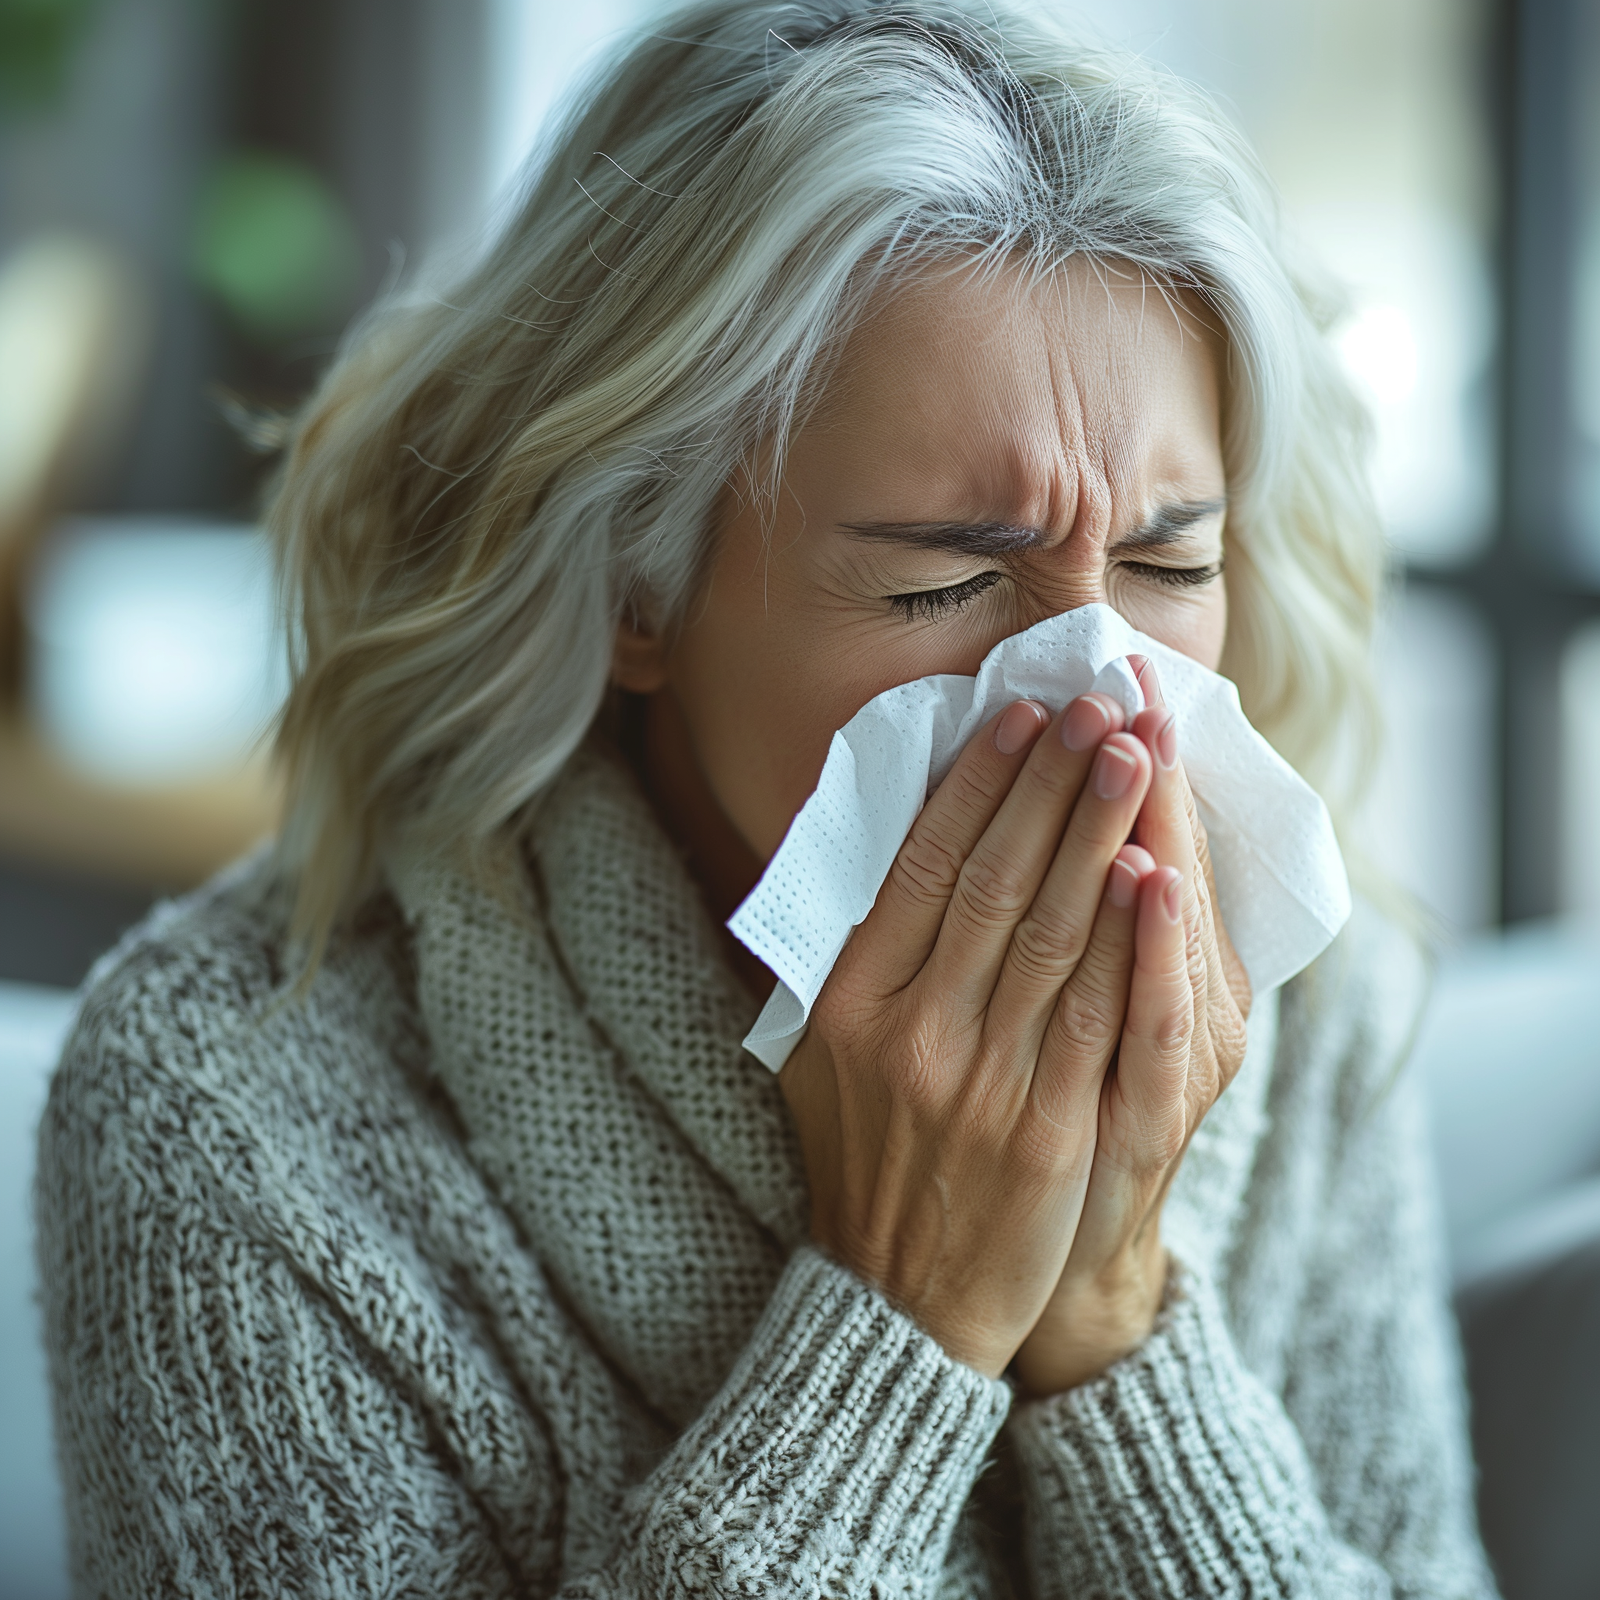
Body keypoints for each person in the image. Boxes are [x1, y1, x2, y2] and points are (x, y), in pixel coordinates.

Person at [35, 3, 1500, 1594]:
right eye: (952, 578)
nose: (1099, 698)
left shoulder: (1304, 1009)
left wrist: (1117, 1326)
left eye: (1168, 564)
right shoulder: (237, 1120)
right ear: (634, 586)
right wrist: (902, 1317)